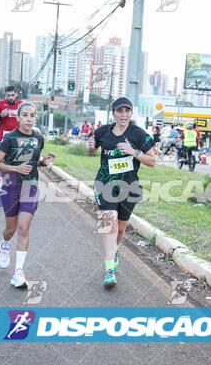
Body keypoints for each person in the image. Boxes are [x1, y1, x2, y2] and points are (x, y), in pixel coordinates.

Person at [86, 97, 156, 288]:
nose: (123, 115)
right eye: (120, 111)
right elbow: (92, 150)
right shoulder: (103, 131)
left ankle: (114, 251)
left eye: (127, 111)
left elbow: (152, 161)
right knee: (109, 224)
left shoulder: (139, 134)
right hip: (105, 184)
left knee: (121, 228)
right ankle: (109, 270)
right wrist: (90, 147)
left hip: (129, 186)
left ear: (131, 113)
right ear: (114, 113)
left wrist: (133, 152)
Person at [0, 102, 57, 288]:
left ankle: (18, 273)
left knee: (24, 228)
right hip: (10, 186)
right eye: (25, 115)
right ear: (18, 117)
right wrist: (15, 168)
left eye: (32, 115)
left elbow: (33, 162)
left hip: (30, 186)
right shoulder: (10, 138)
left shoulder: (38, 138)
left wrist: (44, 162)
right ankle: (5, 243)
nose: (29, 118)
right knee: (10, 230)